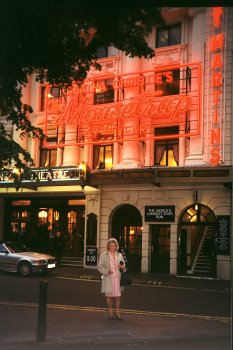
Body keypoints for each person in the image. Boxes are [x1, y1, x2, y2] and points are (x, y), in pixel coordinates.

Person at [98, 238, 125, 320]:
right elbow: (100, 267)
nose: (112, 246)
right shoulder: (104, 255)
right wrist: (106, 271)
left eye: (114, 245)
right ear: (108, 246)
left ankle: (117, 312)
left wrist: (122, 267)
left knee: (118, 297)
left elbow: (124, 266)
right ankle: (110, 312)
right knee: (109, 297)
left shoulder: (119, 255)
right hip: (109, 278)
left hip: (117, 278)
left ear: (116, 246)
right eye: (111, 245)